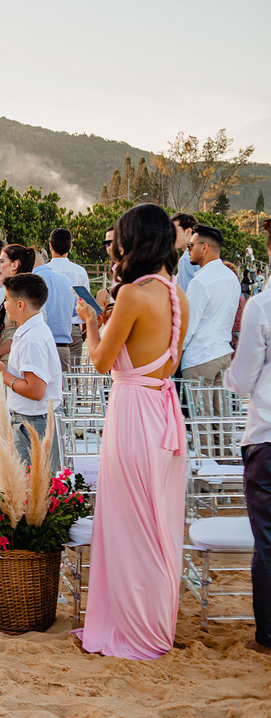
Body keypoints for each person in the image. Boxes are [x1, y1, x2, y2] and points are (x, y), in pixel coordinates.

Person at [74, 203, 189, 660]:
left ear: (134, 241)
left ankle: (132, 630)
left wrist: (90, 323)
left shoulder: (131, 295)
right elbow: (168, 363)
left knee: (128, 523)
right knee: (157, 523)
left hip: (133, 414)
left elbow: (100, 362)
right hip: (163, 413)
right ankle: (155, 623)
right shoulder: (176, 295)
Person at [225, 217, 271, 655]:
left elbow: (241, 380)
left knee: (269, 540)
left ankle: (269, 638)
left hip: (268, 435)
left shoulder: (263, 303)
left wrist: (229, 376)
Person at [0, 273, 62, 466]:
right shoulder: (30, 330)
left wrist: (3, 375)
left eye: (6, 299)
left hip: (35, 422)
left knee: (33, 479)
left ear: (20, 305)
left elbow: (36, 390)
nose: (4, 304)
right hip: (33, 419)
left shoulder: (32, 339)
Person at [182, 225, 240, 386]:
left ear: (205, 247)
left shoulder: (199, 282)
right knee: (221, 404)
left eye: (190, 246)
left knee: (198, 404)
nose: (188, 250)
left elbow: (188, 327)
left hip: (200, 358)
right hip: (224, 356)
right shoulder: (231, 278)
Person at [46, 228, 91, 367]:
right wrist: (83, 332)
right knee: (73, 375)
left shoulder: (44, 271)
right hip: (73, 329)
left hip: (49, 328)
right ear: (70, 247)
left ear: (50, 246)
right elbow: (85, 304)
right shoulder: (80, 272)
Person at [0, 245, 37, 367]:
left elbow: (21, 336)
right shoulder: (10, 293)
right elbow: (3, 332)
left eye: (2, 261)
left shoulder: (22, 294)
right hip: (7, 360)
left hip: (15, 362)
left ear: (14, 265)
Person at [33, 250, 76, 372]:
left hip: (37, 347)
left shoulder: (30, 283)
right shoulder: (67, 281)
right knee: (62, 383)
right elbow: (76, 310)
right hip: (62, 347)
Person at [172, 212, 200, 292]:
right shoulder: (202, 254)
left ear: (188, 232)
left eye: (174, 231)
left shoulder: (186, 259)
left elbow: (186, 293)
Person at [95, 224, 120, 312]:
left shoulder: (133, 270)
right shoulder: (115, 269)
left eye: (115, 242)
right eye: (107, 244)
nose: (111, 247)